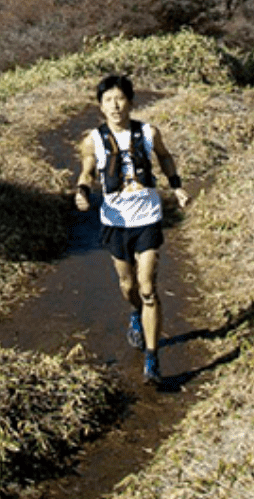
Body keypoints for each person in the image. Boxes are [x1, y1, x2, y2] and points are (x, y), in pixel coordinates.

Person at [75, 72, 188, 386]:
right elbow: (86, 172)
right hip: (116, 222)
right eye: (108, 100)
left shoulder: (149, 132)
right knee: (128, 287)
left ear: (130, 101)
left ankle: (152, 358)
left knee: (148, 286)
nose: (115, 105)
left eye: (120, 98)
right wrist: (82, 192)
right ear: (100, 106)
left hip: (148, 217)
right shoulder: (93, 139)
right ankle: (135, 313)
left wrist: (176, 187)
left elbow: (164, 157)